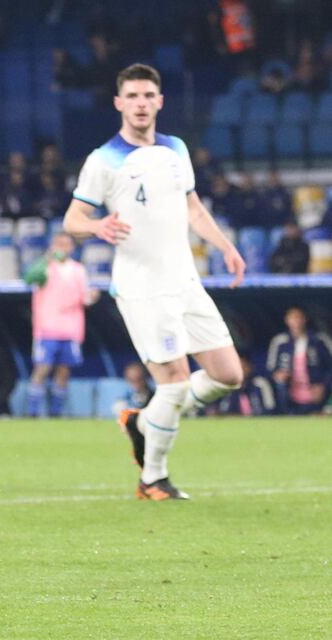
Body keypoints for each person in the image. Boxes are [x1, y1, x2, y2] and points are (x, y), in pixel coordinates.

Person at [63, 63, 246, 501]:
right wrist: (98, 226)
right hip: (142, 288)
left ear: (160, 102)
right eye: (133, 96)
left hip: (185, 281)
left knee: (228, 375)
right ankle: (152, 478)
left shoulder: (177, 149)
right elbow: (72, 219)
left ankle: (142, 420)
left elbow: (194, 209)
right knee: (175, 382)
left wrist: (226, 247)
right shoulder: (103, 160)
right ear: (119, 103)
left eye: (148, 96)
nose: (141, 104)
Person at [22, 232, 99, 417]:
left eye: (65, 244)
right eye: (58, 244)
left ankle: (56, 413)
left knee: (64, 371)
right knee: (43, 368)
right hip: (47, 328)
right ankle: (32, 412)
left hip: (71, 329)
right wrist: (45, 259)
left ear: (72, 247)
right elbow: (29, 278)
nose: (62, 248)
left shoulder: (78, 270)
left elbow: (84, 297)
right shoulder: (46, 267)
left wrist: (92, 297)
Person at [266, 307, 332, 414]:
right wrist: (278, 375)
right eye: (292, 318)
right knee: (278, 385)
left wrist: (323, 385)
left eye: (298, 317)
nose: (296, 321)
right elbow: (270, 368)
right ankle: (284, 414)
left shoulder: (319, 340)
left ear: (304, 319)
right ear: (286, 320)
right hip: (290, 390)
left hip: (316, 389)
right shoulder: (280, 341)